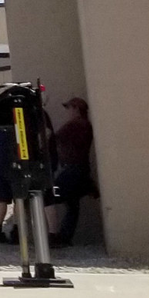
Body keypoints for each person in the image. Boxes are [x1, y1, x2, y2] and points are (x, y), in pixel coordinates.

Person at [48, 96, 96, 246]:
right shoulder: (85, 124)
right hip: (79, 169)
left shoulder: (75, 124)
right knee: (72, 205)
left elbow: (54, 138)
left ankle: (56, 236)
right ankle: (64, 237)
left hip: (72, 169)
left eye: (69, 108)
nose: (67, 111)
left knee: (50, 196)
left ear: (76, 108)